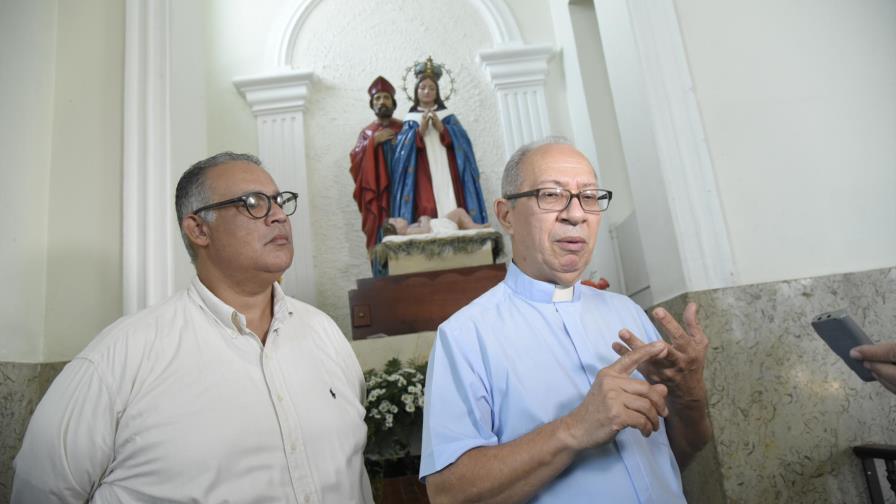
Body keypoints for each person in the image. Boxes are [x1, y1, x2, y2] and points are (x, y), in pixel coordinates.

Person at [12, 153, 373, 503]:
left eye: (279, 201)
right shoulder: (122, 355)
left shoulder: (323, 333)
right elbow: (42, 489)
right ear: (199, 228)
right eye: (253, 202)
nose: (278, 215)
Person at [420, 137, 712, 503]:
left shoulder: (627, 312)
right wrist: (575, 429)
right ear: (506, 214)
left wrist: (689, 396)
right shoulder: (465, 336)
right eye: (551, 195)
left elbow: (683, 449)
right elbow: (448, 494)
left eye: (589, 197)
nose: (576, 214)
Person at [391, 57, 488, 229]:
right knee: (426, 204)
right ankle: (427, 230)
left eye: (431, 88)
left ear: (437, 92)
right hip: (422, 170)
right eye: (422, 88)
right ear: (416, 91)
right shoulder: (410, 119)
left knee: (451, 200)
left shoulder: (447, 116)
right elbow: (401, 152)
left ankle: (453, 227)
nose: (427, 91)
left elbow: (464, 144)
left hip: (447, 167)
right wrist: (419, 132)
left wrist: (442, 128)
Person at [350, 76, 404, 252]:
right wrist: (372, 142)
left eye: (386, 97)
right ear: (372, 104)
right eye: (378, 98)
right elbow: (355, 161)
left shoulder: (404, 128)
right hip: (378, 196)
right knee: (380, 233)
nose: (382, 101)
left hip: (403, 190)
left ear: (393, 103)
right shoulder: (367, 133)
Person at [383, 207, 490, 236]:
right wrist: (424, 219)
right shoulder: (409, 232)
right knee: (459, 212)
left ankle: (474, 226)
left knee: (459, 213)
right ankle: (475, 228)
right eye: (396, 221)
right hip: (439, 227)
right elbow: (425, 230)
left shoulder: (410, 228)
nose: (399, 218)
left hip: (438, 223)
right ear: (398, 232)